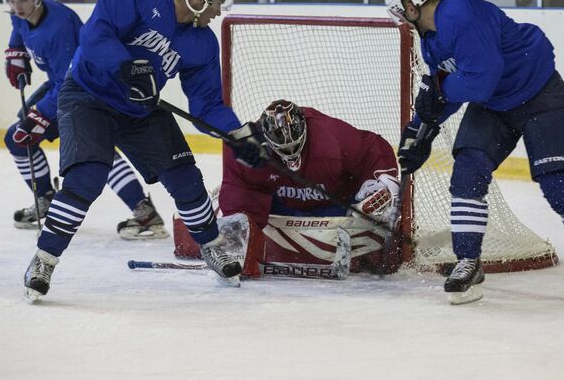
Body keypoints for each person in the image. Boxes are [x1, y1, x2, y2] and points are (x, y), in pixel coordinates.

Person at [21, 0, 267, 300]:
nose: (216, 14)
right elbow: (96, 30)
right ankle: (44, 258)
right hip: (88, 96)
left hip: (138, 107)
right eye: (214, 5)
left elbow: (207, 105)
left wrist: (237, 135)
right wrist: (124, 66)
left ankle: (211, 244)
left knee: (185, 176)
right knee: (86, 178)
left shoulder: (203, 44)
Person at [384, 0, 564, 305]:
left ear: (410, 5)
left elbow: (480, 79)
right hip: (495, 104)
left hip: (540, 95)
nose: (401, 20)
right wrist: (418, 132)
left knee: (558, 184)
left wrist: (438, 92)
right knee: (467, 172)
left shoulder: (459, 15)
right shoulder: (431, 40)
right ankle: (468, 263)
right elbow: (443, 94)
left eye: (399, 11)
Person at [0, 0, 167, 240]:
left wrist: (41, 113)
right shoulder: (21, 14)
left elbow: (70, 81)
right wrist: (15, 52)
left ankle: (144, 211)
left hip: (89, 89)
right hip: (62, 87)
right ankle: (47, 199)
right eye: (12, 0)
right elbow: (19, 28)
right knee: (20, 136)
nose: (18, 7)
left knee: (94, 148)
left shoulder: (61, 25)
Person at [172, 100, 402, 276]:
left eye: (295, 146)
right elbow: (241, 191)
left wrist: (380, 181)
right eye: (283, 149)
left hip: (332, 202)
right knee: (222, 223)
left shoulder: (332, 136)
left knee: (372, 222)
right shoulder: (251, 153)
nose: (291, 157)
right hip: (279, 203)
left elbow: (372, 148)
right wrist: (238, 228)